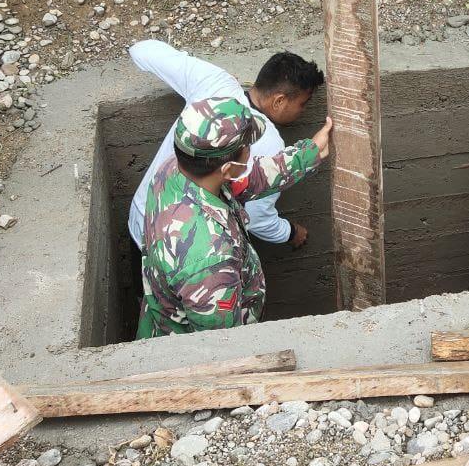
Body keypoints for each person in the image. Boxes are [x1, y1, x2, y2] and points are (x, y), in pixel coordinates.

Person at [137, 97, 332, 337]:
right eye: (248, 148)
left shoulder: (174, 169)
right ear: (226, 169)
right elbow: (222, 348)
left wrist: (310, 152)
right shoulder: (210, 262)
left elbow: (249, 178)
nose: (251, 154)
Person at [127, 40, 325, 251]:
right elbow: (258, 219)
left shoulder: (214, 81)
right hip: (183, 250)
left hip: (142, 218)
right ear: (279, 101)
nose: (302, 111)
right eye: (302, 104)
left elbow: (142, 50)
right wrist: (290, 233)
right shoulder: (269, 141)